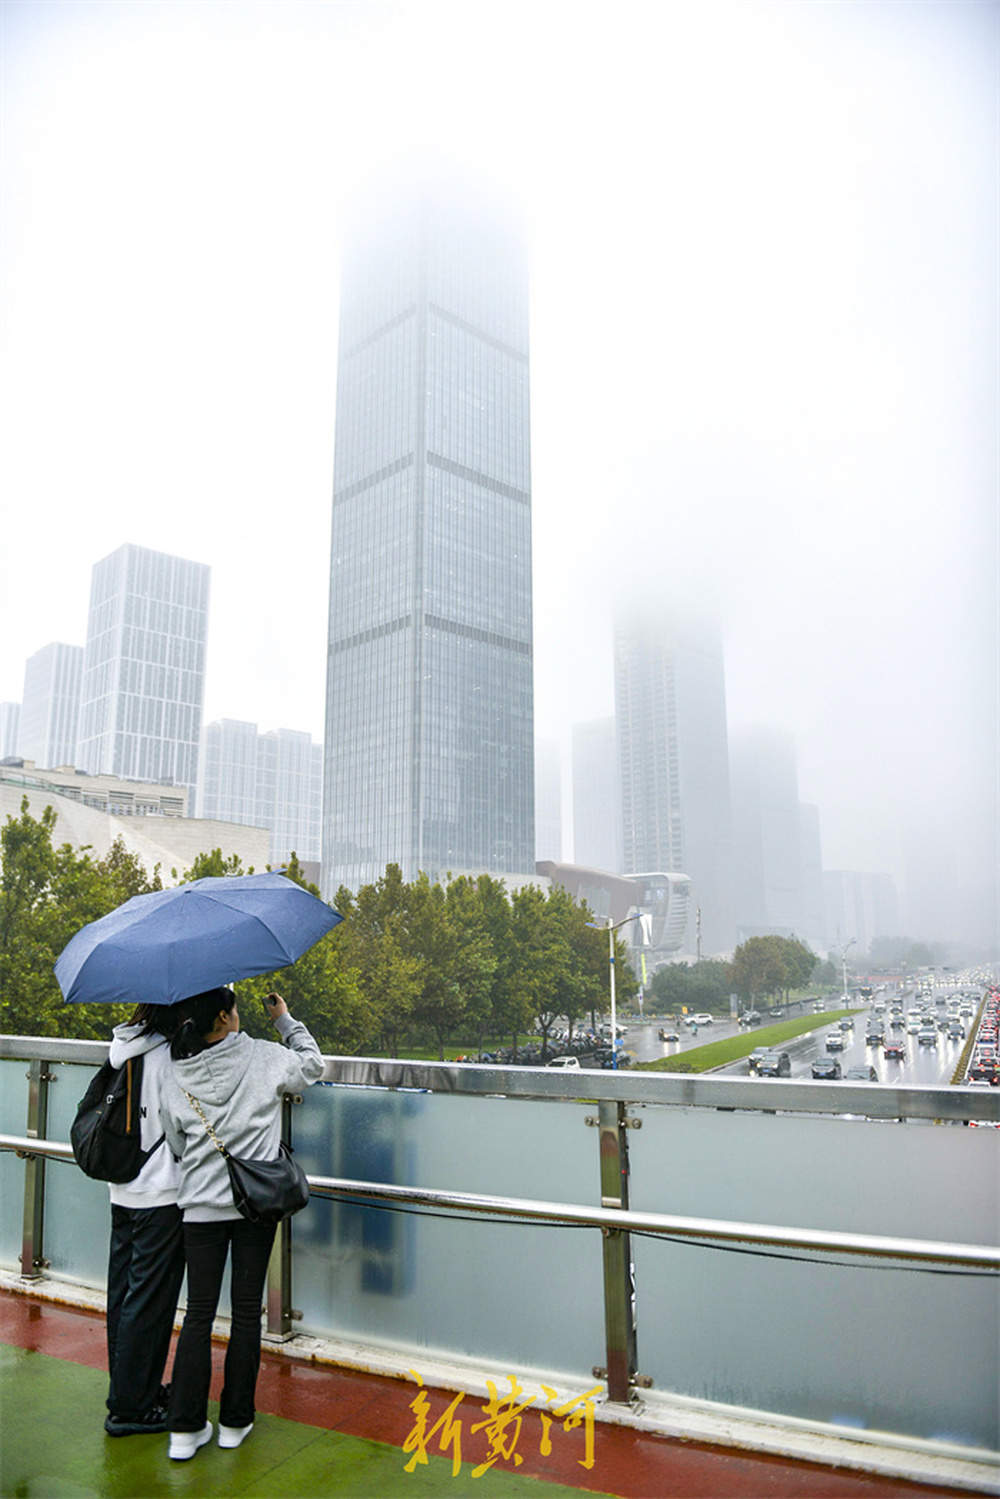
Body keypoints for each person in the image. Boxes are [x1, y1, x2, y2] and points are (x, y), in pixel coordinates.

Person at [159, 986, 323, 1462]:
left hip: (200, 1208)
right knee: (247, 1311)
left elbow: (174, 1139)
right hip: (256, 1205)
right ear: (227, 1017)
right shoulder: (265, 1057)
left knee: (198, 1315)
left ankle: (185, 1430)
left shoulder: (178, 1071)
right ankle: (235, 1420)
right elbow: (312, 1066)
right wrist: (286, 1020)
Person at [104, 1005, 185, 1436]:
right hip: (161, 1192)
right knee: (149, 1302)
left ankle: (132, 1389)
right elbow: (177, 1126)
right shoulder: (169, 1055)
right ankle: (131, 1408)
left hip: (124, 1187)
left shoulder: (125, 1046)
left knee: (123, 1294)